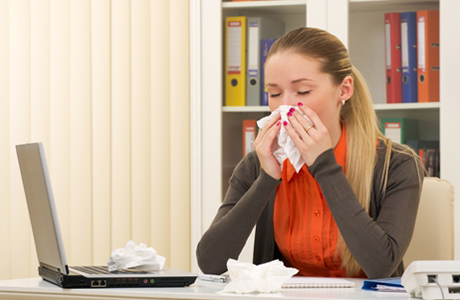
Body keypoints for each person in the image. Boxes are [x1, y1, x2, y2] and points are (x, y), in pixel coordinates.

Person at [196, 27, 424, 279]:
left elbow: (382, 266)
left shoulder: (398, 165)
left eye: (302, 91)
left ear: (344, 90)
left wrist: (324, 166)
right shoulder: (257, 164)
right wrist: (266, 180)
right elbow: (210, 262)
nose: (285, 106)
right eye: (274, 93)